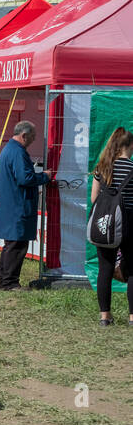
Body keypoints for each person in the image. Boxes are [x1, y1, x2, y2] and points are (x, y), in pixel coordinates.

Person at [0, 121, 54, 292]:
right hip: (17, 206)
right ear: (24, 135)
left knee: (10, 245)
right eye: (32, 137)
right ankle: (9, 283)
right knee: (17, 246)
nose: (33, 140)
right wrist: (44, 176)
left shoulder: (9, 149)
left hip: (11, 204)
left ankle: (4, 281)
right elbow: (24, 178)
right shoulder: (18, 152)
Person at [90, 128, 133, 326]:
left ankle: (105, 317)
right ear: (129, 146)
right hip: (130, 224)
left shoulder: (102, 168)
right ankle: (132, 317)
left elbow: (94, 199)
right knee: (132, 270)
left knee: (105, 269)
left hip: (106, 225)